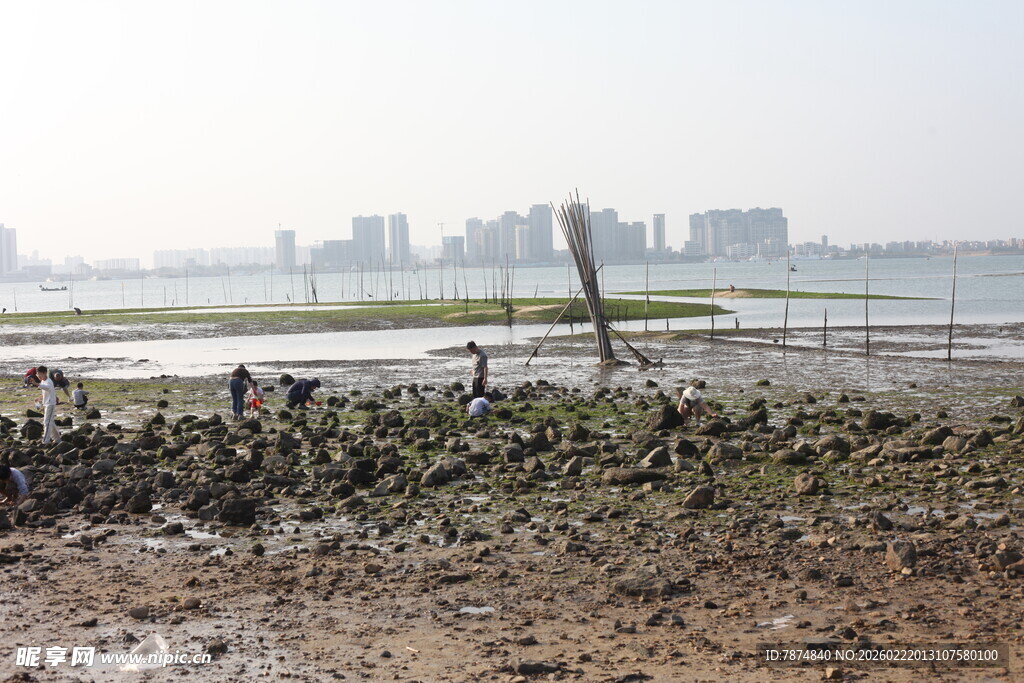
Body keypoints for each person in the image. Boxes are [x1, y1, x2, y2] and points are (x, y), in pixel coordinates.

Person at [36, 366, 59, 445]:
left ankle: (45, 441)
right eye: (37, 374)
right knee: (50, 422)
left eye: (39, 374)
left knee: (47, 422)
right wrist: (39, 398)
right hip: (46, 403)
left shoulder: (49, 381)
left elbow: (47, 387)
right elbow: (46, 391)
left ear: (45, 373)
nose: (38, 375)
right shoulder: (43, 381)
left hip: (50, 404)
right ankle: (57, 439)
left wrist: (37, 384)